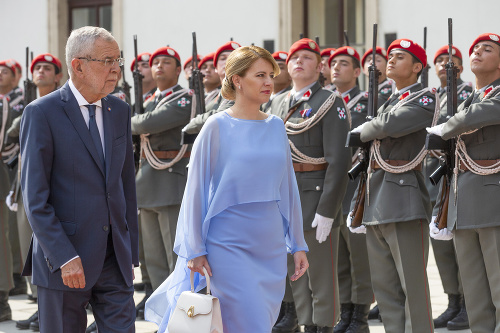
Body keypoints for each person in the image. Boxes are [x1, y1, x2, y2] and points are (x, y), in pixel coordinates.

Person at [145, 45, 309, 333]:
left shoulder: (276, 127)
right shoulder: (215, 127)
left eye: (270, 75)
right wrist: (195, 248)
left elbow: (288, 189)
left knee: (259, 321)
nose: (269, 82)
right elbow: (194, 192)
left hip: (268, 245)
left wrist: (297, 243)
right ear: (237, 80)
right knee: (245, 323)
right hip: (227, 244)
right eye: (259, 75)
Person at [20, 26, 139, 333]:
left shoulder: (119, 110)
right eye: (107, 60)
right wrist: (63, 256)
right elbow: (35, 199)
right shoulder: (42, 113)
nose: (116, 68)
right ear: (78, 65)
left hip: (115, 259)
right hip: (64, 260)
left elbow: (125, 186)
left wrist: (131, 252)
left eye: (118, 60)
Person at [351, 38, 436, 333]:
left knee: (412, 287)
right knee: (385, 290)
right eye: (390, 55)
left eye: (400, 56)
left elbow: (389, 125)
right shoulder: (389, 101)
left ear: (416, 67)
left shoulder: (424, 99)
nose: (391, 60)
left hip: (403, 200)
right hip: (376, 200)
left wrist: (364, 128)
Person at [269, 38, 351, 333]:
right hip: (284, 197)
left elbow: (339, 161)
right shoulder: (277, 103)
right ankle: (306, 324)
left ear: (320, 66)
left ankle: (324, 326)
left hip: (315, 199)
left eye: (307, 57)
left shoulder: (330, 102)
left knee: (322, 275)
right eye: (294, 58)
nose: (299, 62)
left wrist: (328, 210)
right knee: (295, 273)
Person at [426, 32, 500, 333]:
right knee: (474, 288)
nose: (477, 53)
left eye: (488, 49)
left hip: (492, 200)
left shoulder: (489, 98)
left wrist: (444, 127)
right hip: (462, 200)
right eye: (475, 49)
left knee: (498, 282)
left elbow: (480, 114)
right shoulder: (467, 98)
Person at [5, 53, 63, 331]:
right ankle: (40, 305)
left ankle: (49, 308)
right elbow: (14, 132)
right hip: (25, 183)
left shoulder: (61, 102)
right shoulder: (29, 105)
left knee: (49, 249)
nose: (41, 72)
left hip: (51, 187)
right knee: (30, 247)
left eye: (47, 68)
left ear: (58, 75)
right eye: (37, 68)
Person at [131, 46, 192, 307]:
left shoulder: (184, 99)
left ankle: (180, 312)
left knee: (174, 258)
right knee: (154, 260)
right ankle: (163, 312)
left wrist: (133, 119)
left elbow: (145, 124)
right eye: (156, 62)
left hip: (170, 183)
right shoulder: (148, 100)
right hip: (147, 184)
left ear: (178, 70)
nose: (159, 66)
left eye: (166, 62)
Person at [425, 44, 471, 331]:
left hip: (459, 173)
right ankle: (453, 301)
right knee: (440, 244)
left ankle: (469, 302)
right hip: (434, 176)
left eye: (450, 60)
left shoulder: (467, 94)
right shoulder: (431, 97)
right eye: (440, 60)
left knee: (460, 246)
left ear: (461, 67)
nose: (444, 64)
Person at [328, 46, 373, 333]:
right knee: (338, 254)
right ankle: (344, 309)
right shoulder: (327, 102)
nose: (336, 68)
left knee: (359, 254)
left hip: (357, 183)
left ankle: (360, 313)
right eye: (332, 64)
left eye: (343, 64)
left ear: (357, 72)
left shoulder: (367, 101)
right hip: (333, 185)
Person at [0, 58, 25, 323]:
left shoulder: (13, 103)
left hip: (9, 169)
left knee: (7, 236)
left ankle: (8, 289)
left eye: (5, 72)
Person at [182, 41, 241, 136]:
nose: (228, 61)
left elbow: (222, 115)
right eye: (223, 58)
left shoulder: (241, 90)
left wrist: (195, 122)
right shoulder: (218, 94)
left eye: (234, 58)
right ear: (217, 67)